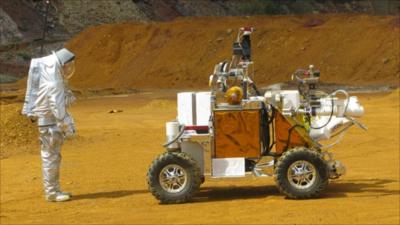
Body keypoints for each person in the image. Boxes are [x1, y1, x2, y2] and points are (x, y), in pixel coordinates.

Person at [22, 48, 76, 202]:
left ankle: (55, 189)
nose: (68, 69)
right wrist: (67, 127)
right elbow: (57, 107)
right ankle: (51, 192)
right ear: (63, 64)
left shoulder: (48, 74)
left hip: (47, 123)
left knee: (52, 157)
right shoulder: (54, 80)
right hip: (51, 125)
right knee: (50, 157)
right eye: (68, 65)